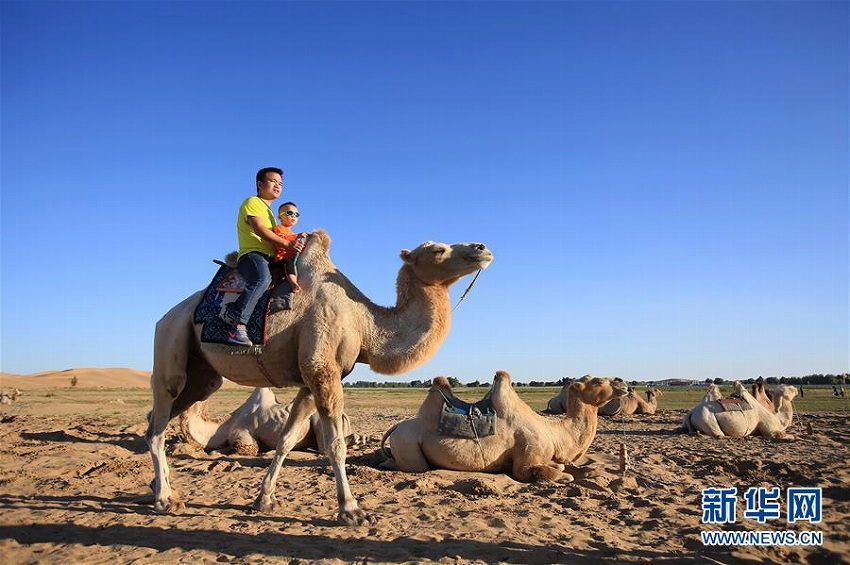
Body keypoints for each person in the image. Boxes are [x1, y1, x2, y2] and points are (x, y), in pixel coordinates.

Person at [220, 167, 303, 346]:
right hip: (253, 255)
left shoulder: (272, 215)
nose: (278, 186)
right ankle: (237, 324)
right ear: (260, 184)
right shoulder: (252, 202)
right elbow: (260, 229)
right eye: (273, 181)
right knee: (262, 279)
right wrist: (288, 244)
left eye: (280, 183)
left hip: (271, 258)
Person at [270, 201, 308, 312]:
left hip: (291, 258)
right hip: (281, 259)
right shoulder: (279, 228)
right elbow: (281, 238)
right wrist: (297, 237)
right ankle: (293, 283)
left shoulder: (292, 233)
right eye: (289, 213)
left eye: (296, 215)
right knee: (288, 263)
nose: (293, 216)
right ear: (280, 216)